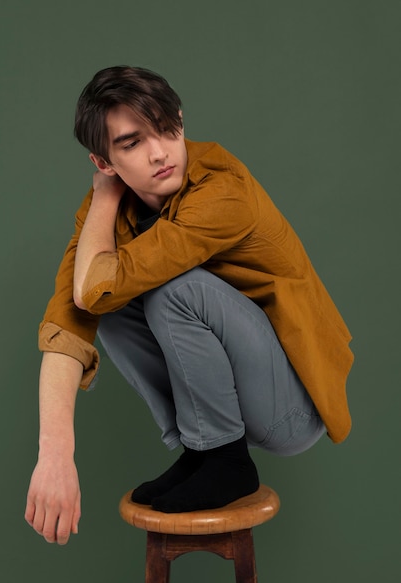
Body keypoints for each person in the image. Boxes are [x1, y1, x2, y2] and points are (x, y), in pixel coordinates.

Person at [25, 65, 353, 545]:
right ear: (104, 162)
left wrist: (103, 196)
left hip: (291, 405)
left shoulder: (222, 190)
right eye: (133, 142)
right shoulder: (109, 209)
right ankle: (203, 452)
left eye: (167, 128)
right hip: (232, 394)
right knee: (109, 304)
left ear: (180, 119)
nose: (160, 152)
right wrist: (54, 455)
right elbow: (71, 318)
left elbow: (96, 286)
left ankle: (225, 459)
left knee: (171, 289)